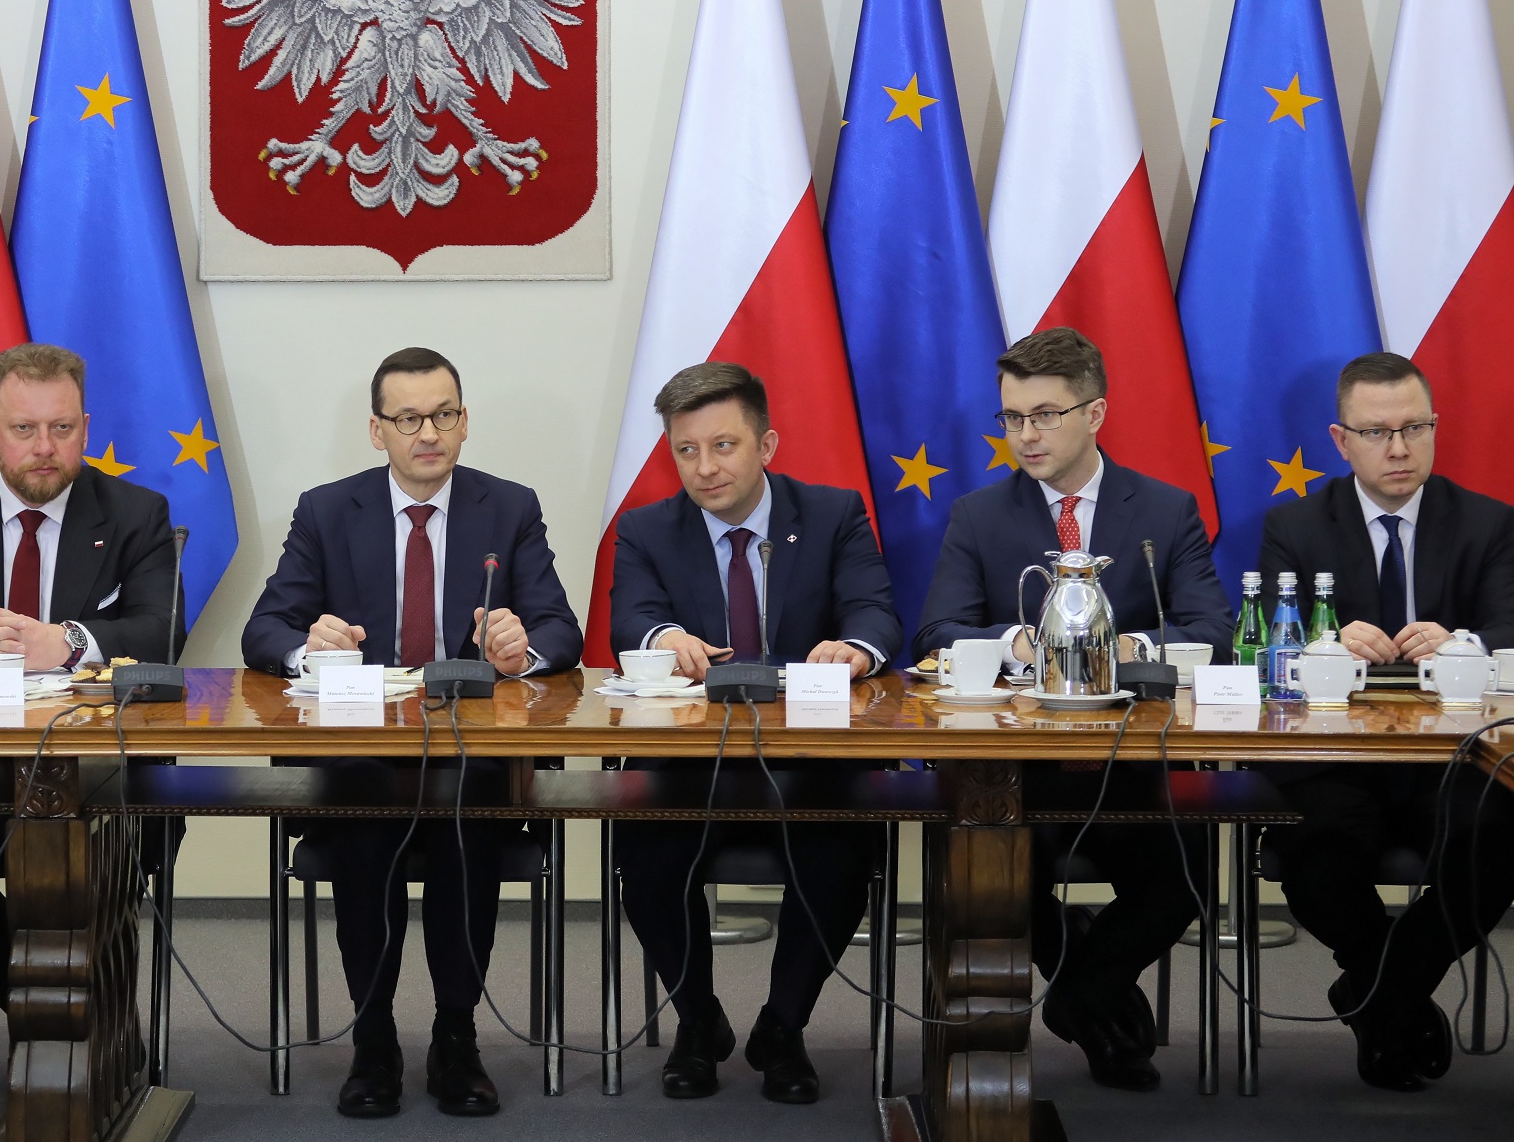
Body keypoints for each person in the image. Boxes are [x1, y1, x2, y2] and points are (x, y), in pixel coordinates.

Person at [242, 347, 582, 1118]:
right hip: (365, 751)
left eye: (444, 414)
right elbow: (264, 629)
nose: (428, 431)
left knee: (469, 818)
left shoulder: (509, 507)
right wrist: (309, 647)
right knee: (366, 819)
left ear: (465, 423)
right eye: (408, 418)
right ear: (377, 430)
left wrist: (519, 647)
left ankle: (456, 1035)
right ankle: (373, 1038)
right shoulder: (329, 510)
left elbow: (564, 629)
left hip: (472, 755)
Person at [915, 327, 1231, 1092]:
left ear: (1095, 412)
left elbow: (1208, 631)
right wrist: (1024, 641)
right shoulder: (979, 515)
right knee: (996, 877)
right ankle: (1107, 1018)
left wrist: (1106, 648)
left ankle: (1083, 997)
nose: (1026, 434)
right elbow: (938, 632)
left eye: (1046, 414)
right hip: (1012, 766)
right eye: (1012, 418)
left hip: (1132, 765)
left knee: (1184, 876)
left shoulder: (1164, 509)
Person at [609, 362, 903, 1104]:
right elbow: (630, 616)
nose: (704, 468)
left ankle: (784, 1025)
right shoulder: (647, 527)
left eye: (724, 445)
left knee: (842, 844)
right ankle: (697, 1021)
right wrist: (663, 633)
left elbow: (875, 611)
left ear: (766, 443)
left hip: (808, 760)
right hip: (691, 762)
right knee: (644, 850)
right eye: (685, 450)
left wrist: (855, 649)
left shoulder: (833, 513)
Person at [0, 343, 177, 1010]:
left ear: (86, 427)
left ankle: (82, 1036)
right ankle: (52, 1013)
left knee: (98, 863)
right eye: (24, 429)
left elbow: (163, 630)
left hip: (101, 762)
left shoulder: (137, 514)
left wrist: (68, 641)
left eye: (63, 427)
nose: (45, 446)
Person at [1258, 352, 1514, 1091]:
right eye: (1378, 432)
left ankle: (1377, 993)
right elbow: (1261, 649)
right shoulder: (1295, 525)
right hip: (1339, 760)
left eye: (1414, 428)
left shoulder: (1489, 522)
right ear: (1341, 441)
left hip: (1455, 763)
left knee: (1503, 836)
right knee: (1313, 846)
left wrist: (1462, 645)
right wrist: (1322, 645)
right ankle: (1392, 994)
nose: (1399, 449)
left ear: (1434, 428)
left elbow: (1508, 628)